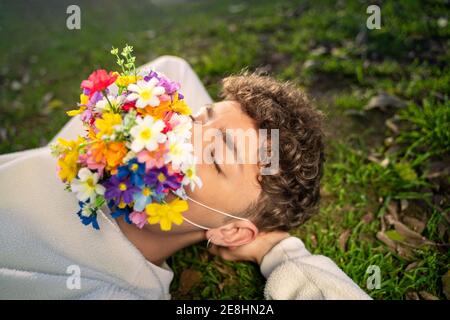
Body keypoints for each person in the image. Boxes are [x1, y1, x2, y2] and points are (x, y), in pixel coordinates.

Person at [0, 56, 371, 299]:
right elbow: (174, 71)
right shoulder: (116, 141)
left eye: (213, 156)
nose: (175, 134)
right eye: (197, 118)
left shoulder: (107, 287)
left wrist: (281, 251)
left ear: (232, 232)